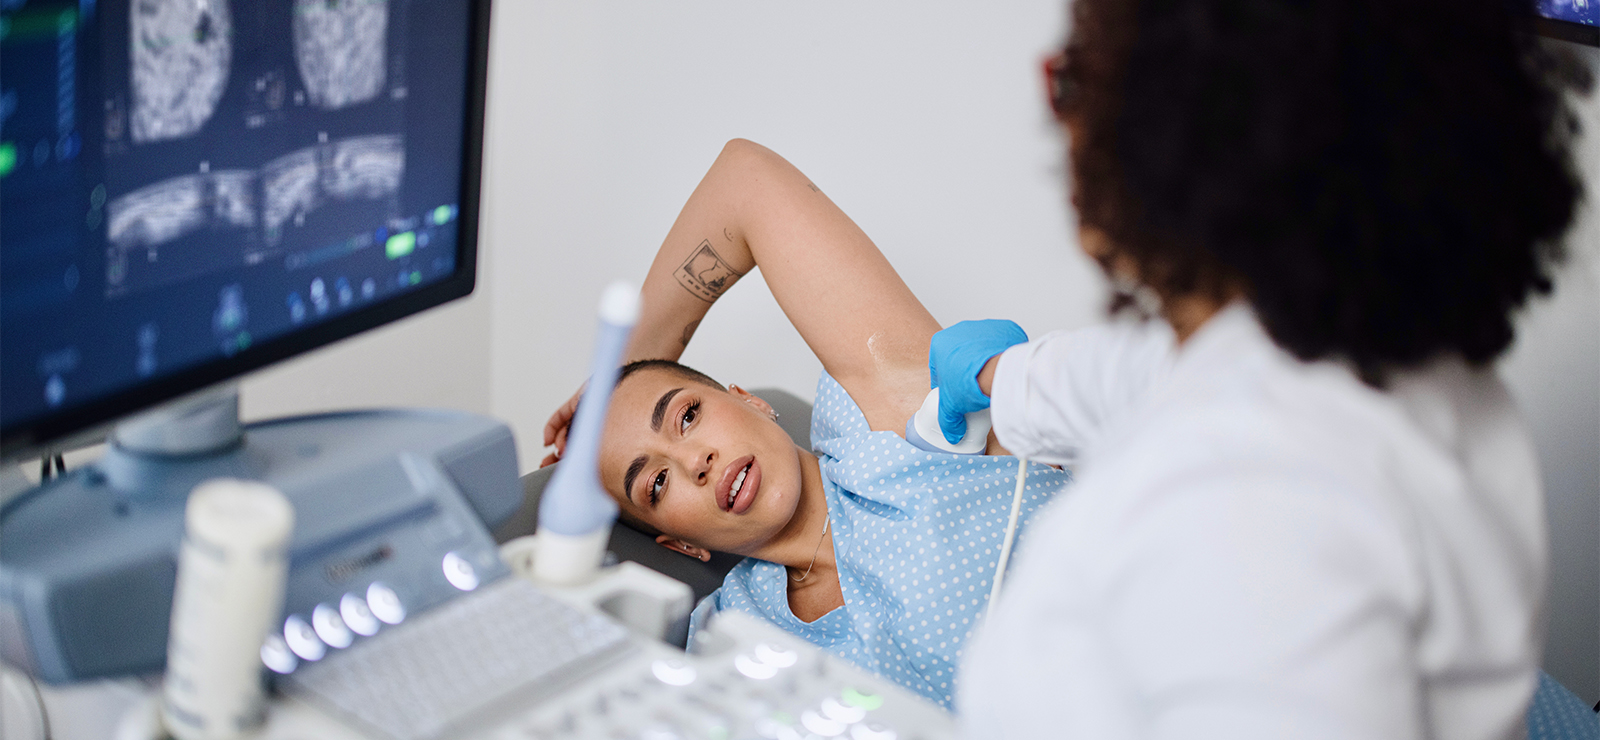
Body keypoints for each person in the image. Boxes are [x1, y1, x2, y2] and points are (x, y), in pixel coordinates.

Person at [937, 0, 1590, 737]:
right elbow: (1145, 374)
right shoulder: (1397, 363)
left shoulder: (1254, 504)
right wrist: (1003, 376)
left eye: (1074, 81)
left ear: (1167, 133)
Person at [540, 139, 1072, 709]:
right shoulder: (733, 639)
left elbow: (744, 181)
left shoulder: (885, 423)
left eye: (687, 415)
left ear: (750, 401)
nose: (694, 462)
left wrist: (617, 372)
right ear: (682, 545)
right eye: (657, 484)